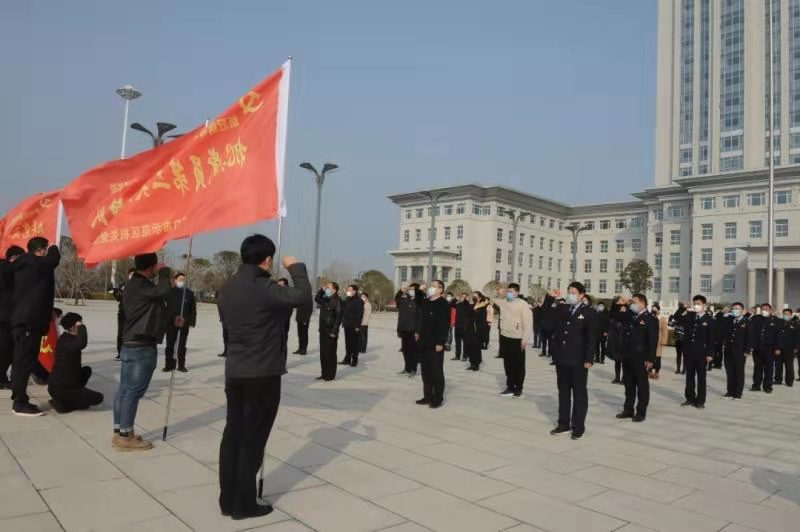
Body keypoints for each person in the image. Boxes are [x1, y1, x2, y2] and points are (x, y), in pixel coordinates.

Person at [218, 235, 311, 520]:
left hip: (235, 370)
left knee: (233, 434)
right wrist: (295, 268)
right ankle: (244, 504)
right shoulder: (264, 287)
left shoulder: (228, 288)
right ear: (267, 260)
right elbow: (302, 297)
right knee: (252, 438)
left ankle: (228, 498)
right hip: (262, 373)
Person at [113, 253, 171, 449]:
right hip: (141, 345)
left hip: (130, 343)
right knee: (133, 391)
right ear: (151, 267)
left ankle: (121, 431)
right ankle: (125, 436)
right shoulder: (142, 285)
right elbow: (163, 290)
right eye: (155, 266)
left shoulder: (131, 284)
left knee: (124, 390)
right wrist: (165, 272)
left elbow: (153, 307)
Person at [10, 237, 60, 417]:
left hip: (24, 321)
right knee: (23, 363)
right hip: (28, 323)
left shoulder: (23, 265)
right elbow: (53, 260)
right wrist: (54, 247)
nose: (47, 253)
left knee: (23, 362)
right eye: (45, 249)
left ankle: (20, 398)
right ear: (40, 250)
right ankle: (19, 403)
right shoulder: (34, 262)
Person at [545, 283, 597, 440]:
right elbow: (545, 320)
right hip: (562, 358)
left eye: (573, 292)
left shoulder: (589, 312)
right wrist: (550, 299)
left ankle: (578, 427)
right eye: (569, 292)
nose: (570, 295)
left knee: (579, 394)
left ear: (582, 295)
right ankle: (563, 424)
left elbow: (592, 337)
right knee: (564, 392)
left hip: (579, 360)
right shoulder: (563, 309)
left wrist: (589, 358)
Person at [611, 294, 658, 423]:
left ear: (642, 303)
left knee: (642, 386)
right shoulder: (630, 315)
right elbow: (614, 315)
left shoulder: (651, 319)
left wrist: (651, 359)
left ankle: (641, 412)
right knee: (629, 385)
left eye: (634, 302)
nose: (631, 304)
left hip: (641, 358)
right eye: (631, 302)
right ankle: (628, 410)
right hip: (627, 356)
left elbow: (653, 341)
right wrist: (620, 303)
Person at [47, 313, 103, 413]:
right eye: (79, 324)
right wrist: (82, 326)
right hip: (61, 389)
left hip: (63, 384)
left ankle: (68, 398)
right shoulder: (67, 342)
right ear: (73, 327)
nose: (81, 326)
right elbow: (81, 343)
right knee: (98, 398)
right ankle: (63, 404)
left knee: (86, 370)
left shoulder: (65, 338)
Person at [674, 295, 714, 409]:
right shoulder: (690, 315)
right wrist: (682, 307)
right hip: (689, 352)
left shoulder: (709, 319)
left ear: (704, 305)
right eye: (695, 303)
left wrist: (710, 354)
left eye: (698, 304)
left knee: (701, 378)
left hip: (702, 353)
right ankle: (690, 398)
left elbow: (711, 339)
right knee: (689, 377)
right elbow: (676, 317)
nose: (696, 306)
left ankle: (700, 401)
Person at [415, 280, 449, 408]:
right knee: (426, 370)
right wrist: (420, 290)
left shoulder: (444, 304)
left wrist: (441, 342)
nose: (431, 288)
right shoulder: (427, 302)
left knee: (436, 371)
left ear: (440, 289)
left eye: (434, 286)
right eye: (431, 286)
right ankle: (427, 396)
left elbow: (444, 325)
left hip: (436, 343)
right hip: (424, 341)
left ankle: (437, 398)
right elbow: (418, 301)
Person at [494, 284, 533, 398]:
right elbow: (494, 300)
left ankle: (518, 388)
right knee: (508, 364)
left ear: (517, 292)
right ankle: (510, 387)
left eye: (511, 292)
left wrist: (525, 339)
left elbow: (528, 323)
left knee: (518, 365)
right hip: (505, 336)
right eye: (508, 291)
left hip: (517, 338)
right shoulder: (504, 302)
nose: (509, 294)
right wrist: (500, 293)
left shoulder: (522, 304)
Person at [0, 246, 24, 389]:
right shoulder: (4, 268)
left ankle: (2, 377)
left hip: (9, 316)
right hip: (4, 317)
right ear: (14, 258)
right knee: (5, 349)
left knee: (8, 349)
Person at [163, 272, 197, 373]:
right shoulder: (169, 292)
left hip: (184, 323)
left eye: (183, 280)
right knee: (170, 344)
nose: (182, 281)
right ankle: (169, 365)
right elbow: (164, 307)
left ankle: (181, 365)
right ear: (175, 280)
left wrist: (191, 322)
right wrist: (170, 317)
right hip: (171, 322)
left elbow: (193, 309)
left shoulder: (189, 293)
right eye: (180, 280)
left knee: (182, 345)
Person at [749, 303, 781, 394]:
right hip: (757, 348)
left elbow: (778, 335)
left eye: (766, 309)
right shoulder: (756, 318)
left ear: (770, 310)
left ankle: (768, 386)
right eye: (763, 309)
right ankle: (756, 385)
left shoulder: (776, 321)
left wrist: (777, 348)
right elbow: (749, 327)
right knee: (757, 368)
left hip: (770, 348)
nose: (764, 311)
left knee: (769, 369)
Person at [315, 282, 343, 381]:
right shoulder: (326, 299)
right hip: (323, 330)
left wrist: (334, 332)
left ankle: (330, 375)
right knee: (323, 354)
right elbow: (317, 299)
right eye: (326, 287)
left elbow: (338, 318)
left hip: (331, 331)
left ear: (334, 290)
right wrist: (321, 290)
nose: (326, 288)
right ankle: (324, 373)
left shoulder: (338, 301)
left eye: (328, 287)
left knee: (330, 354)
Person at [722, 302, 750, 399]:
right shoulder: (729, 320)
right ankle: (730, 391)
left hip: (740, 351)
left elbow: (749, 337)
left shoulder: (747, 322)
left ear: (743, 310)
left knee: (739, 372)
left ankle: (738, 393)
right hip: (728, 350)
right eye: (733, 308)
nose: (735, 310)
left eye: (737, 309)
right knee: (729, 371)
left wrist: (747, 350)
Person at [111, 269, 136, 361]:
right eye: (131, 274)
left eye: (134, 274)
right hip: (122, 312)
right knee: (120, 334)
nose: (132, 276)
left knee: (131, 334)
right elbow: (118, 298)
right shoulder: (123, 285)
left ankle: (131, 352)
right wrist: (115, 292)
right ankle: (120, 353)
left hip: (133, 313)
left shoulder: (138, 286)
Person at [396, 284, 420, 376]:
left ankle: (413, 369)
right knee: (405, 350)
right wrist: (401, 291)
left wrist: (418, 331)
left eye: (413, 289)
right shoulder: (404, 300)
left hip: (413, 331)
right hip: (403, 329)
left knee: (413, 351)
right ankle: (407, 368)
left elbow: (420, 318)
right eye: (410, 289)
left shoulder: (419, 302)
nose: (411, 290)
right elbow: (397, 299)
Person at [339, 285, 364, 367]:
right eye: (348, 290)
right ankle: (347, 358)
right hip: (347, 324)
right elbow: (342, 306)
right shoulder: (347, 299)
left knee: (354, 344)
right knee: (348, 343)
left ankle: (354, 359)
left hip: (354, 326)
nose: (348, 291)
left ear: (354, 291)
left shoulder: (359, 301)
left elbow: (359, 315)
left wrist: (357, 326)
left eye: (349, 290)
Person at [774, 308, 797, 387]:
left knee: (789, 366)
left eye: (787, 314)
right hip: (779, 348)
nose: (786, 315)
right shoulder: (779, 323)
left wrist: (796, 348)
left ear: (791, 315)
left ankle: (789, 381)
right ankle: (778, 379)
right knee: (778, 365)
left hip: (789, 349)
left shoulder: (795, 324)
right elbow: (776, 336)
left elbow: (797, 337)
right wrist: (776, 348)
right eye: (784, 314)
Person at [463, 294, 482, 371]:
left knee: (476, 348)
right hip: (469, 330)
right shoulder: (470, 306)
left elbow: (479, 318)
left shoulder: (481, 307)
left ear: (479, 298)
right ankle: (472, 363)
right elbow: (466, 312)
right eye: (473, 296)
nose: (474, 298)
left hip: (477, 331)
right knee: (470, 347)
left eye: (475, 297)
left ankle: (476, 364)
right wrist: (466, 300)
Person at [650, 304, 668, 379]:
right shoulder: (649, 318)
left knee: (657, 358)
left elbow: (665, 331)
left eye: (655, 309)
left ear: (658, 310)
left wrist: (663, 341)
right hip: (650, 341)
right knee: (649, 357)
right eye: (652, 309)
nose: (653, 310)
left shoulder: (662, 319)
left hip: (658, 341)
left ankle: (656, 372)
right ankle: (650, 372)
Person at [669, 303, 687, 374]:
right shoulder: (687, 315)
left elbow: (670, 323)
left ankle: (679, 369)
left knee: (679, 354)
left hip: (679, 337)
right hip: (683, 337)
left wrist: (671, 318)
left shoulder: (677, 314)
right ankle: (682, 369)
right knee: (683, 354)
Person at [216, 289, 228, 358]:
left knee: (228, 337)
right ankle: (226, 351)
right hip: (224, 321)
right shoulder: (219, 298)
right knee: (225, 337)